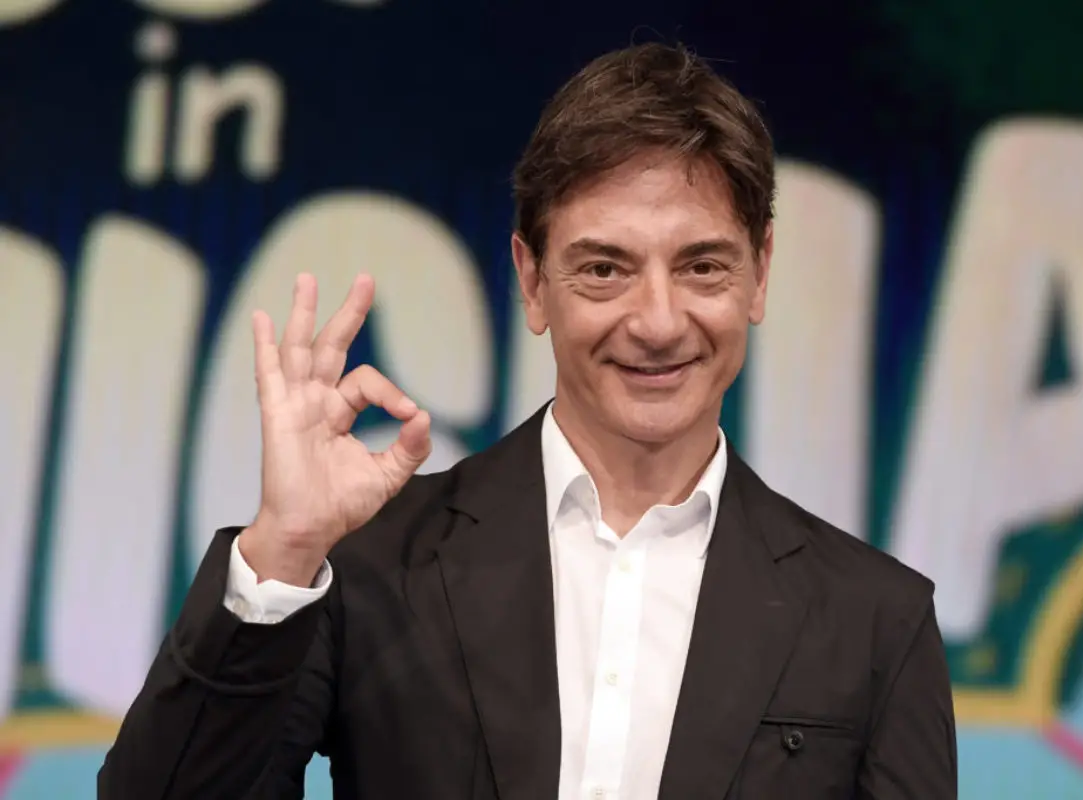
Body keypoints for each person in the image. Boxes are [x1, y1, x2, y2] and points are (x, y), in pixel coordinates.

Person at [99, 41, 956, 800]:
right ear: (533, 280)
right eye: (605, 270)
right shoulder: (370, 562)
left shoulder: (874, 620)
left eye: (702, 267)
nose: (658, 322)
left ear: (760, 272)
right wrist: (283, 550)